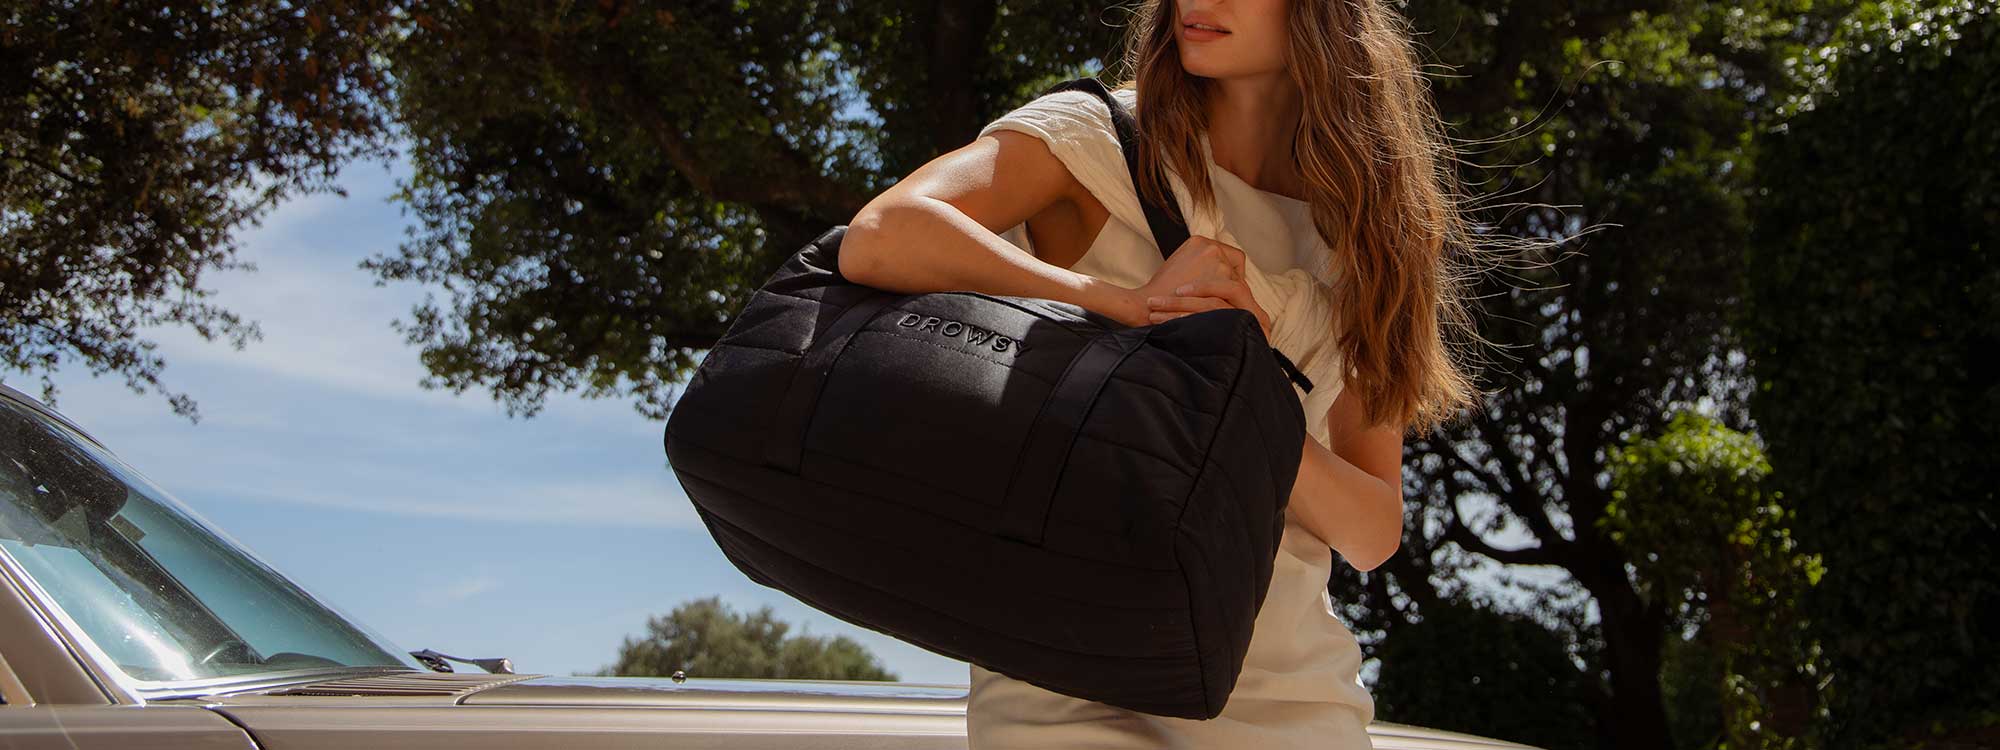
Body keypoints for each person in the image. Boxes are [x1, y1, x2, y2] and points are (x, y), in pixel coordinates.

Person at [837, 0, 1491, 747]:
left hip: (1278, 691)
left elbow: (1373, 532)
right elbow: (881, 238)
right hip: (1055, 675)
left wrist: (1241, 398)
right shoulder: (1097, 138)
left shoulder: (1368, 229)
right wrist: (1126, 304)